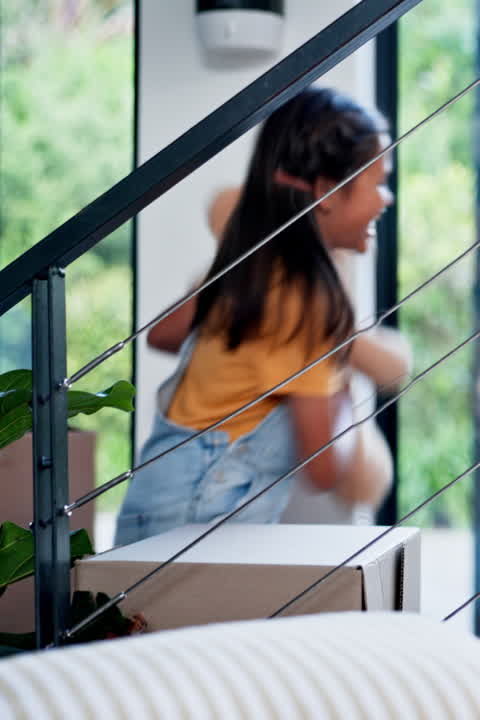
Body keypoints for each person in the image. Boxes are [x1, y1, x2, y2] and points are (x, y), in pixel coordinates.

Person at [116, 87, 402, 545]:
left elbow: (164, 335)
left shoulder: (254, 262)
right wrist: (343, 395)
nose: (386, 199)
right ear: (327, 193)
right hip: (199, 524)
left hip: (153, 509)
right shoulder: (309, 299)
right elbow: (324, 468)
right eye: (379, 181)